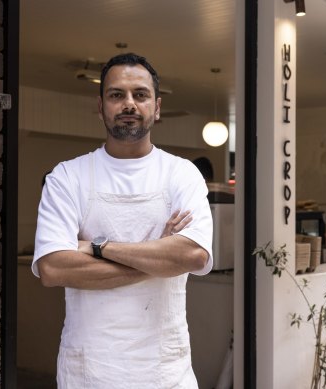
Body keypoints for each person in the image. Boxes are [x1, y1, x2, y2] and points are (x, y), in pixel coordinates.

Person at [32, 53, 213, 388]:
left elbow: (194, 256)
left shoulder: (181, 174)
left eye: (140, 94)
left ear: (156, 108)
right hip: (89, 371)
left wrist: (96, 247)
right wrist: (159, 255)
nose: (129, 103)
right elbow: (54, 268)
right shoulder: (68, 177)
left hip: (165, 371)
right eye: (116, 95)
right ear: (100, 107)